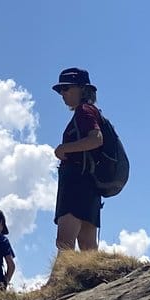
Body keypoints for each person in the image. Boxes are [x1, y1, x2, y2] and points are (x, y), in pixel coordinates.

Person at [52, 67, 104, 254]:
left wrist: (63, 149)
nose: (62, 94)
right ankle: (93, 279)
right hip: (89, 184)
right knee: (88, 247)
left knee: (64, 242)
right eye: (60, 90)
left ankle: (57, 281)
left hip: (75, 182)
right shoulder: (91, 111)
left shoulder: (85, 111)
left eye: (66, 88)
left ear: (82, 88)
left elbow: (96, 139)